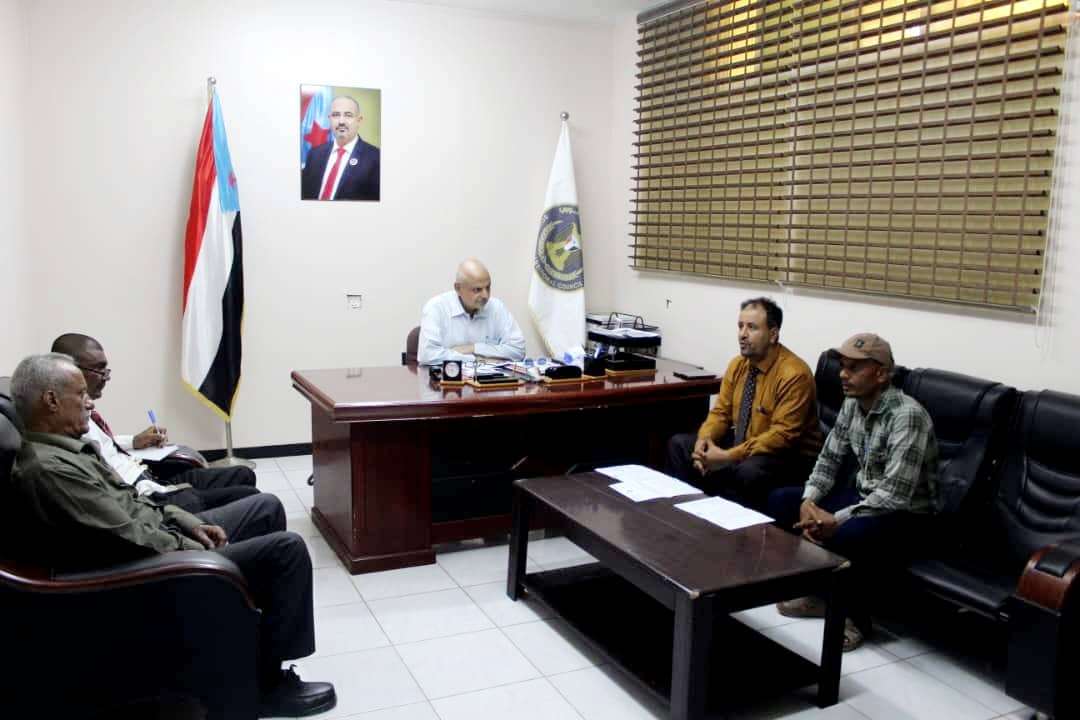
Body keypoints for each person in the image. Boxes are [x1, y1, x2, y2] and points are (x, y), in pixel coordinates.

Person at [9, 353, 336, 717]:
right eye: (81, 394)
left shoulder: (68, 449)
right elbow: (128, 537)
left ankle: (247, 640)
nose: (89, 402)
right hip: (149, 571)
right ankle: (267, 687)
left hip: (162, 535)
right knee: (286, 550)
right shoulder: (50, 470)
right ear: (51, 401)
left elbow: (134, 499)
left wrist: (187, 521)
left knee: (266, 508)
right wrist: (192, 546)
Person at [767, 333, 939, 652]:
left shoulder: (908, 416)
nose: (843, 375)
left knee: (849, 533)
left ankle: (856, 618)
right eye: (843, 366)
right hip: (865, 498)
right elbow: (829, 459)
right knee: (780, 502)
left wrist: (836, 519)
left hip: (908, 515)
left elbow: (894, 494)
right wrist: (809, 500)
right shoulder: (852, 405)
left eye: (854, 368)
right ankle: (819, 595)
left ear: (881, 373)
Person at [51, 333, 258, 513]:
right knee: (252, 498)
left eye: (107, 370)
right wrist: (163, 492)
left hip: (150, 478)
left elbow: (103, 444)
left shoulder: (81, 410)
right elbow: (108, 485)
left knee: (243, 474)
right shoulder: (67, 425)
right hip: (146, 498)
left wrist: (135, 440)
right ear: (70, 371)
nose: (106, 378)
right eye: (99, 370)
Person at [666, 297, 822, 510]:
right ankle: (689, 513)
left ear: (773, 334)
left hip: (787, 456)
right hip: (747, 443)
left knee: (747, 471)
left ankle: (729, 523)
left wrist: (728, 456)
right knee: (680, 445)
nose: (742, 334)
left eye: (752, 327)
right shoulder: (738, 365)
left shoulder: (794, 374)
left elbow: (781, 436)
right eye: (740, 326)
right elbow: (721, 413)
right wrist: (704, 442)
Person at [418, 258, 526, 365]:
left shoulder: (496, 307)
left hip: (490, 376)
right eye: (477, 290)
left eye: (488, 287)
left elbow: (518, 350)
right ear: (458, 288)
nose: (485, 295)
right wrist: (475, 359)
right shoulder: (436, 308)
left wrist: (474, 348)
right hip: (449, 376)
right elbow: (427, 355)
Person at [301, 95, 380, 201]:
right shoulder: (314, 154)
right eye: (336, 115)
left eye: (348, 115)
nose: (341, 121)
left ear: (359, 120)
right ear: (329, 119)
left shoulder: (376, 158)